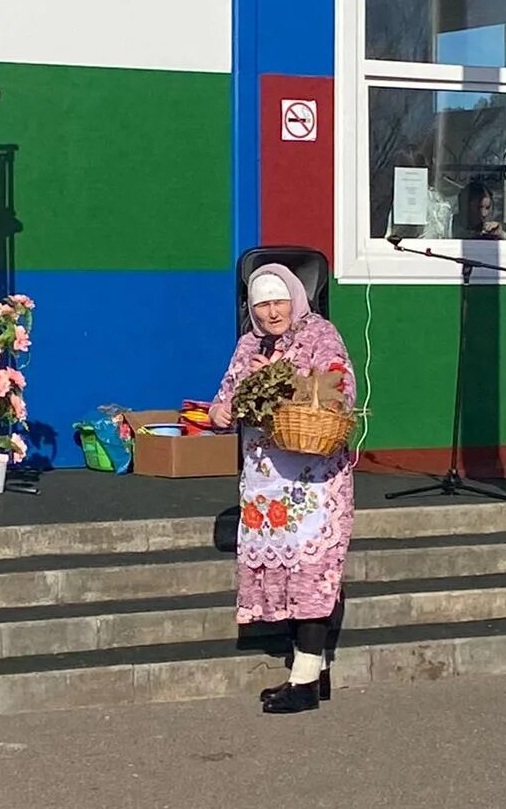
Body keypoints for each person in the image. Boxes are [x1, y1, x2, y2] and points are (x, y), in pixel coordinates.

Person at [208, 264, 356, 714]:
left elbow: (340, 388)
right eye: (262, 304)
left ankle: (305, 681)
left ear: (295, 297)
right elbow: (228, 395)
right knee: (289, 572)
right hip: (266, 484)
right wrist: (220, 411)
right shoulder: (248, 345)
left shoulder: (320, 335)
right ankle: (314, 669)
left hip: (312, 480)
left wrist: (283, 380)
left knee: (313, 570)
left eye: (278, 301)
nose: (272, 313)